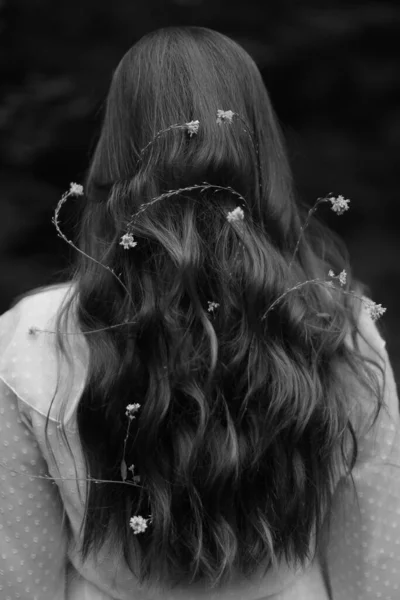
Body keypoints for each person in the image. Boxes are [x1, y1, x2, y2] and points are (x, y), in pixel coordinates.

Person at [0, 26, 398, 600]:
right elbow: (377, 572)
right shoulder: (335, 329)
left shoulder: (35, 339)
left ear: (115, 152)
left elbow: (19, 581)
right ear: (260, 151)